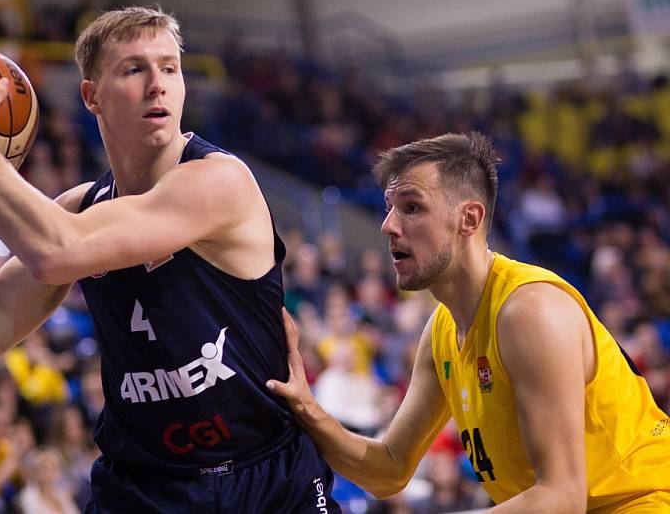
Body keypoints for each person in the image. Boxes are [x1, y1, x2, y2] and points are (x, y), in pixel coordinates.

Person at [0, 6, 338, 513]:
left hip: (264, 476)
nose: (158, 84)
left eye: (169, 68)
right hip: (145, 487)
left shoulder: (220, 180)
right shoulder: (82, 209)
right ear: (91, 96)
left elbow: (55, 251)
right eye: (134, 69)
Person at [267, 133, 670, 513]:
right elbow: (389, 469)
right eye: (389, 207)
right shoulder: (442, 329)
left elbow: (561, 498)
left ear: (469, 219)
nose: (388, 225)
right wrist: (306, 408)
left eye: (411, 207)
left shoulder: (530, 311)